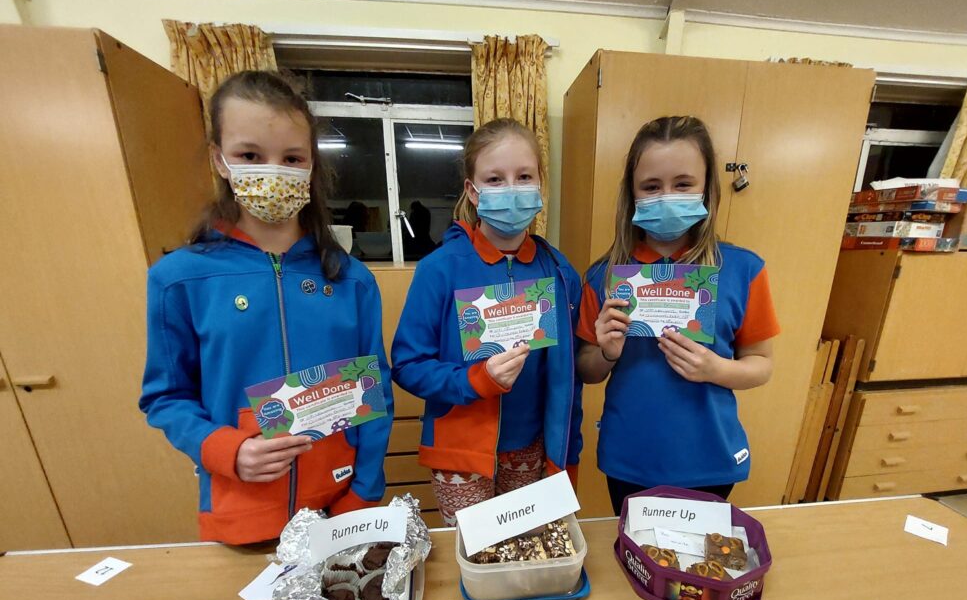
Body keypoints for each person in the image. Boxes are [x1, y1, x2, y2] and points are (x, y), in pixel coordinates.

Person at [140, 71, 393, 544]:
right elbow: (166, 397)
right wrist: (225, 450)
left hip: (341, 510)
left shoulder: (352, 279)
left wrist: (363, 492)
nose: (273, 171)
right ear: (219, 159)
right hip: (242, 513)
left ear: (311, 165)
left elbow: (374, 392)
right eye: (250, 156)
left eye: (292, 158)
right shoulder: (178, 279)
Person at [576, 116, 780, 516]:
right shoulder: (604, 276)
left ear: (707, 188)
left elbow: (761, 364)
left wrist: (716, 369)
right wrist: (607, 353)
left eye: (683, 184)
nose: (667, 197)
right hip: (630, 458)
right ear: (632, 193)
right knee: (635, 549)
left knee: (696, 552)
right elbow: (587, 369)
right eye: (651, 187)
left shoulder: (743, 270)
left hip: (708, 458)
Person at [391, 119, 582, 526]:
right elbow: (407, 365)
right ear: (473, 191)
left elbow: (569, 375)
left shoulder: (559, 271)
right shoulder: (440, 269)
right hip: (460, 453)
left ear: (540, 183)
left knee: (524, 550)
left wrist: (568, 450)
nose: (512, 189)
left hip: (531, 450)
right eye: (495, 179)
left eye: (524, 177)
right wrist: (475, 381)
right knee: (473, 551)